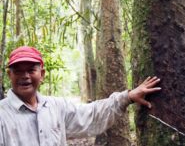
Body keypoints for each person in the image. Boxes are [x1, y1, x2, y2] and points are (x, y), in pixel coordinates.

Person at [0, 46, 161, 146]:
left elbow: (92, 114)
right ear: (9, 75)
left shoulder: (55, 107)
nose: (25, 76)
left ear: (41, 74)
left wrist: (128, 97)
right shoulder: (2, 115)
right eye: (18, 71)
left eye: (30, 70)